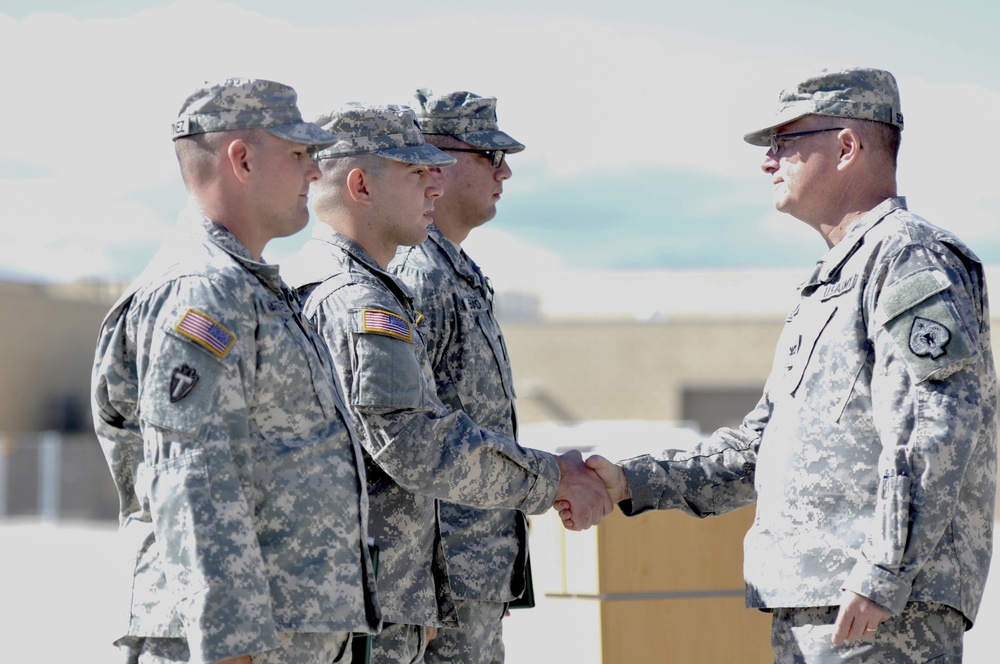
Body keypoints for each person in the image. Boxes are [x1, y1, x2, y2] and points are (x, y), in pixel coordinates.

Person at [584, 67, 997, 663]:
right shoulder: (831, 282)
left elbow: (935, 425)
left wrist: (883, 570)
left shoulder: (906, 256)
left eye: (784, 142)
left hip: (879, 613)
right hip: (821, 608)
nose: (767, 160)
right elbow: (761, 449)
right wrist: (628, 480)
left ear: (847, 146)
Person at [283, 103, 611, 664]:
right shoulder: (364, 296)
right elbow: (413, 443)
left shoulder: (387, 283)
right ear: (361, 184)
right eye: (416, 170)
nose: (431, 181)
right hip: (388, 594)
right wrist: (555, 478)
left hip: (406, 589)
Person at [90, 78, 379, 664]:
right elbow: (195, 477)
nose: (313, 171)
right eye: (298, 154)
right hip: (236, 644)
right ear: (241, 160)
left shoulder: (247, 286)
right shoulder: (204, 291)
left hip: (286, 634)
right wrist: (228, 644)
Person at [388, 89, 530, 664]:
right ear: (437, 162)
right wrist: (414, 589)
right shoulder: (419, 275)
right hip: (440, 583)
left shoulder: (456, 271)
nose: (506, 172)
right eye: (489, 156)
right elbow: (402, 440)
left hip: (472, 572)